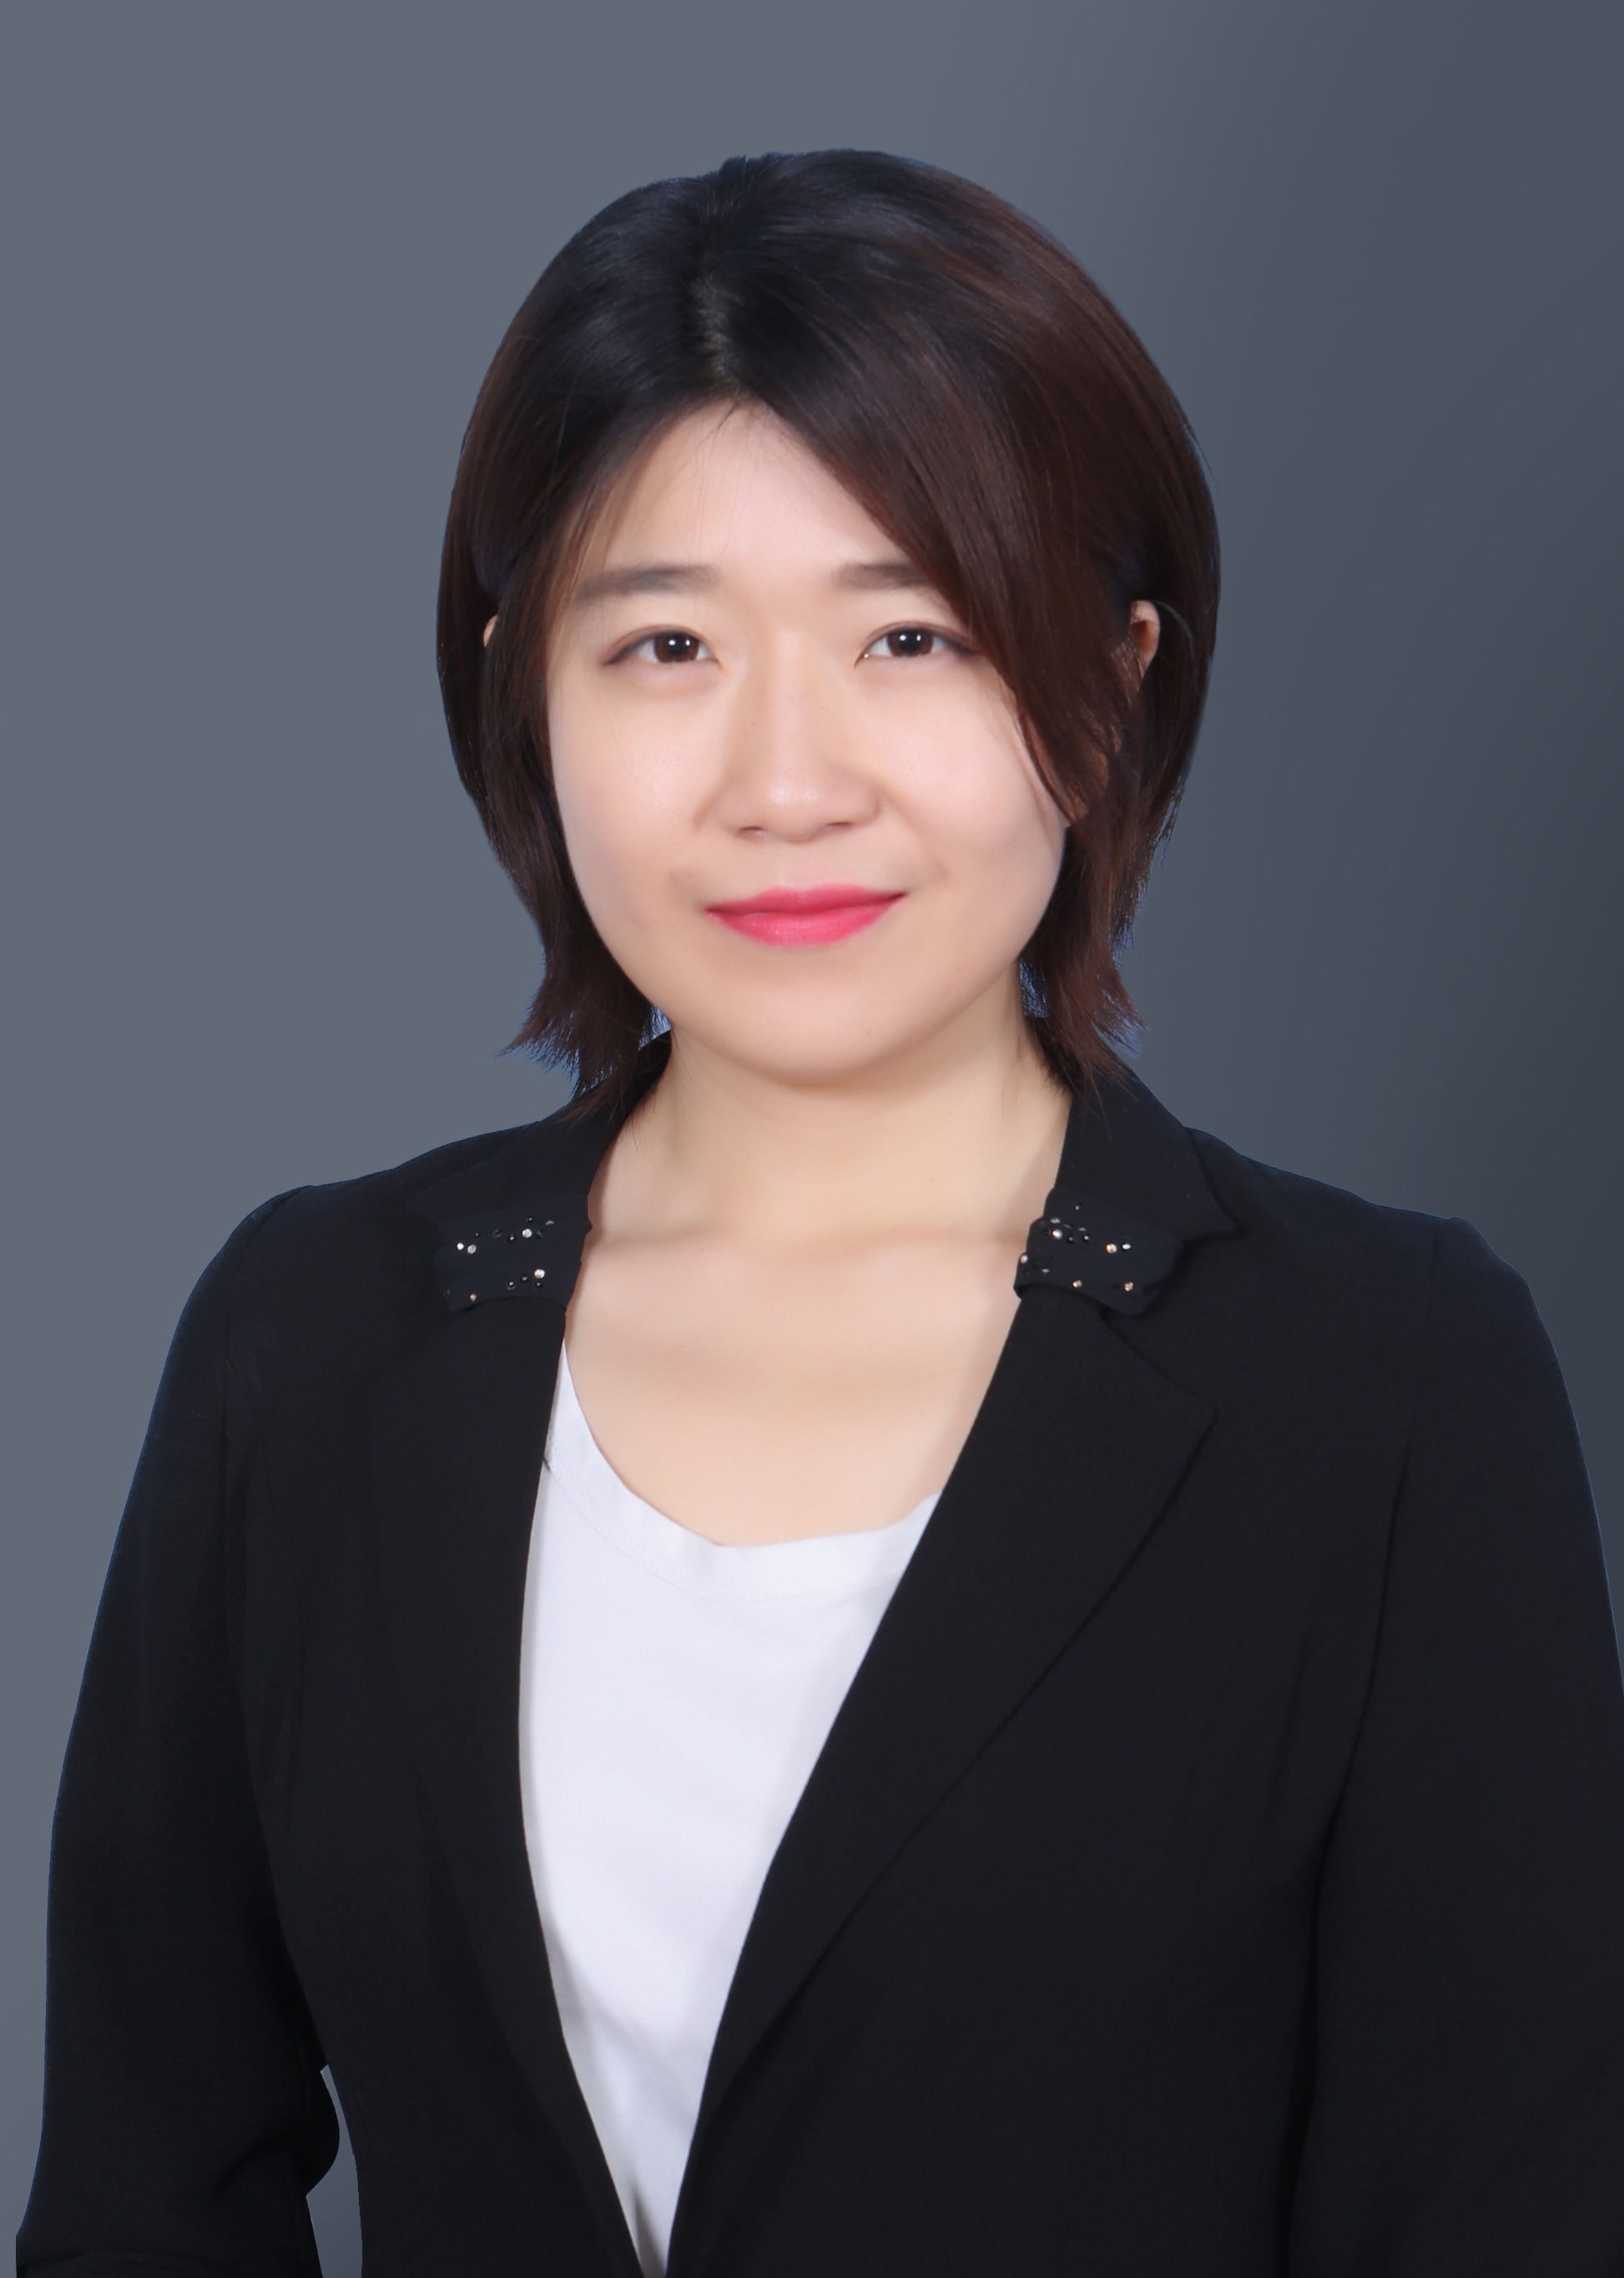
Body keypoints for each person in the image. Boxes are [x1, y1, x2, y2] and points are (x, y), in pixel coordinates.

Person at [19, 149, 1624, 2277]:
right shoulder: (310, 1336)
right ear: (524, 686)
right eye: (667, 642)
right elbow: (140, 2197)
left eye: (911, 633)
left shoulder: (1387, 1379)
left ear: (1111, 685)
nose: (787, 781)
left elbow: (1500, 2220)